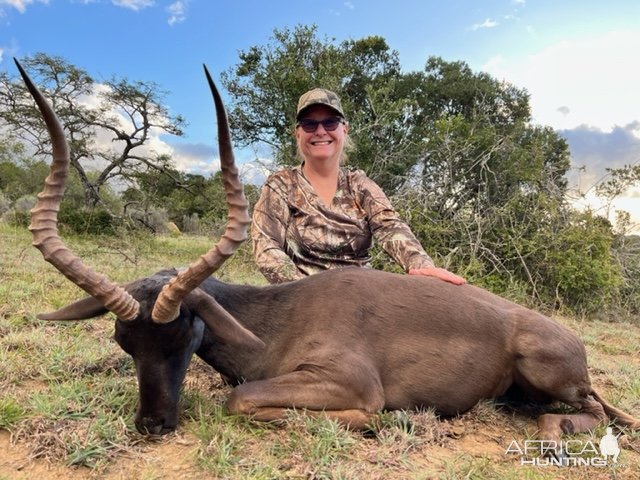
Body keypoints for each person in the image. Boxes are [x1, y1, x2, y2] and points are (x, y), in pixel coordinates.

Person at [251, 87, 465, 286]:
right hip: (301, 301)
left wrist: (422, 266)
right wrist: (310, 293)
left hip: (361, 299)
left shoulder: (359, 185)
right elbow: (266, 248)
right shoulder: (281, 185)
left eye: (330, 123)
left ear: (344, 129)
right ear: (298, 133)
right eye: (309, 124)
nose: (320, 131)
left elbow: (391, 228)